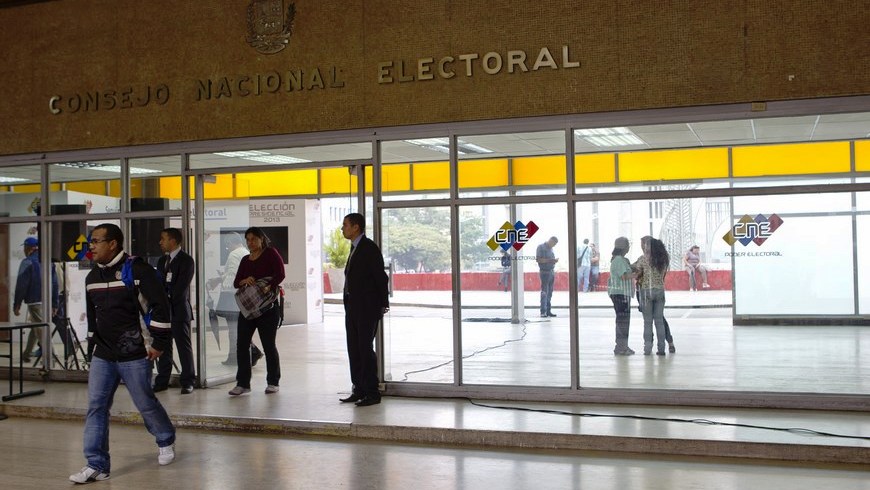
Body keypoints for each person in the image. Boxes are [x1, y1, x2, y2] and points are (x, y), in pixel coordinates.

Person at [69, 223, 176, 484]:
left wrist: (159, 343)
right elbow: (93, 317)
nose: (91, 246)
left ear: (113, 243)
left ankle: (165, 439)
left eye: (96, 241)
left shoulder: (138, 270)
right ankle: (96, 464)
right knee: (96, 406)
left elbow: (161, 307)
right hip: (104, 354)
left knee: (144, 402)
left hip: (135, 353)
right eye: (91, 242)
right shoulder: (92, 277)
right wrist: (92, 347)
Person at [339, 213, 390, 407]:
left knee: (364, 348)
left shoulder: (369, 248)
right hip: (352, 306)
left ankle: (372, 392)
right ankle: (358, 389)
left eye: (345, 225)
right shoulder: (354, 248)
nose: (342, 228)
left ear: (356, 227)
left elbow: (380, 277)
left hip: (367, 308)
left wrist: (383, 303)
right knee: (354, 348)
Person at [228, 227, 285, 396]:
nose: (250, 242)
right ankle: (243, 383)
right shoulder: (245, 259)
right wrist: (245, 280)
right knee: (242, 345)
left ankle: (273, 382)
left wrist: (269, 286)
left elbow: (280, 274)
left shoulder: (271, 253)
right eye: (248, 239)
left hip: (267, 308)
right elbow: (236, 282)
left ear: (261, 239)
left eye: (253, 239)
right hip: (248, 309)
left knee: (268, 345)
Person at [208, 232, 263, 366]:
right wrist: (221, 278)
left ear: (229, 243)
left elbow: (232, 276)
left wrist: (221, 283)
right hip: (244, 297)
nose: (227, 247)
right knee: (240, 328)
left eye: (227, 244)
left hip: (232, 297)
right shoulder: (245, 252)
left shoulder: (233, 254)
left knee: (233, 329)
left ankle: (237, 356)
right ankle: (251, 352)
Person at [153, 227, 196, 395]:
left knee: (183, 347)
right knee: (163, 347)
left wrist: (165, 299)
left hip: (178, 310)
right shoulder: (161, 261)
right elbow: (158, 284)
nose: (160, 242)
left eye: (163, 239)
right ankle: (162, 380)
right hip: (163, 312)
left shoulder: (186, 261)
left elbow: (181, 288)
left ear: (173, 240)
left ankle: (188, 381)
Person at [13, 237, 59, 362]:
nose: (24, 250)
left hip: (35, 302)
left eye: (25, 247)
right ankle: (26, 354)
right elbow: (55, 283)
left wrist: (16, 304)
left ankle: (52, 357)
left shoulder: (27, 262)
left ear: (29, 248)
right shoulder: (49, 261)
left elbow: (21, 285)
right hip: (47, 301)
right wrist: (55, 303)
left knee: (41, 330)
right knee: (37, 327)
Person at [633, 236, 671, 356]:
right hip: (660, 291)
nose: (645, 247)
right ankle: (661, 349)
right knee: (659, 321)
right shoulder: (664, 259)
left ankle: (647, 348)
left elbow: (635, 272)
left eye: (646, 245)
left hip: (646, 292)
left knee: (647, 322)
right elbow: (663, 275)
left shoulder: (643, 259)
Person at [608, 237, 635, 355]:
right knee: (622, 321)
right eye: (628, 245)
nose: (629, 247)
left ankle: (623, 346)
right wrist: (637, 274)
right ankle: (621, 347)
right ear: (624, 247)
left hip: (623, 293)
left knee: (623, 321)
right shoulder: (618, 260)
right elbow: (624, 276)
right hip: (620, 293)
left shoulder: (622, 260)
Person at [536, 236, 559, 318]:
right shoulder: (541, 247)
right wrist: (551, 260)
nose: (554, 246)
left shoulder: (551, 249)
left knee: (550, 293)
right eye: (554, 244)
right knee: (544, 292)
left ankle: (548, 311)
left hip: (551, 272)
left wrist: (553, 261)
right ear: (550, 241)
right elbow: (539, 260)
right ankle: (543, 311)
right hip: (544, 272)